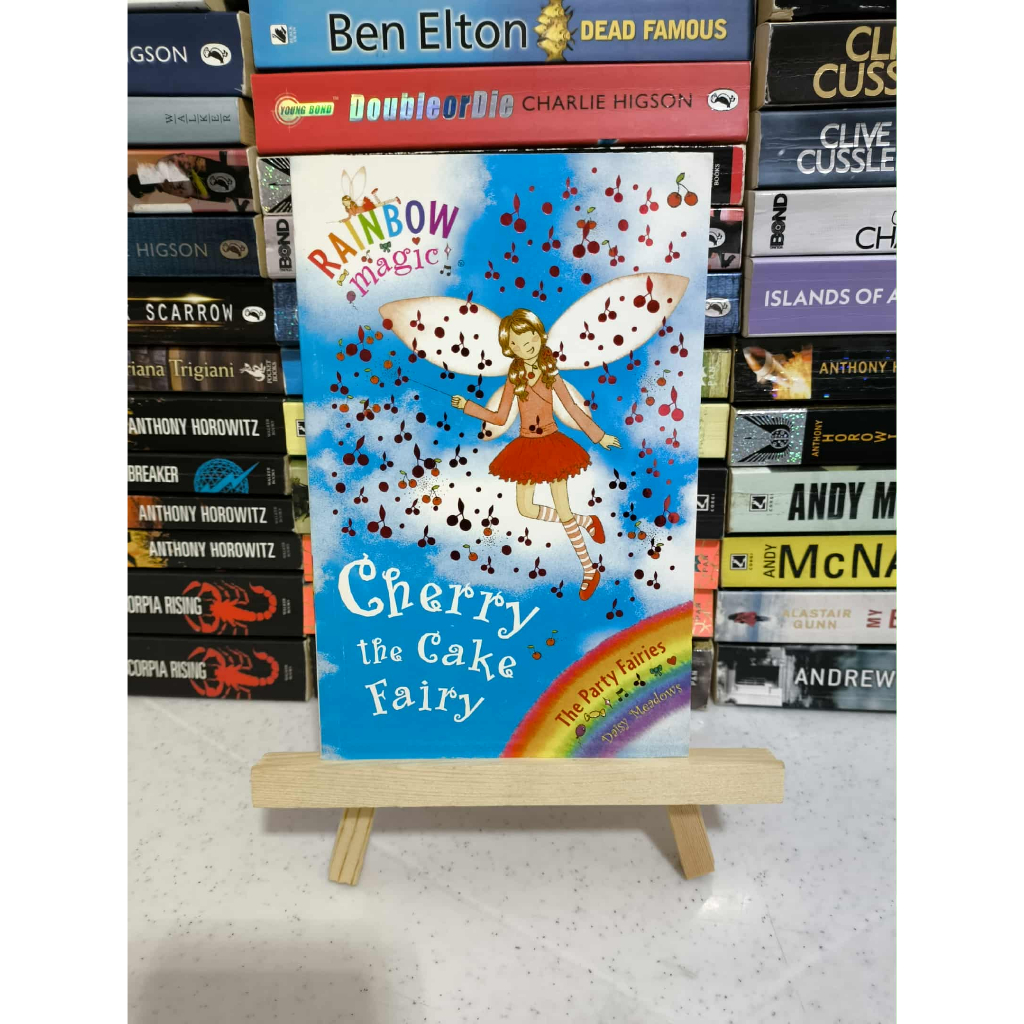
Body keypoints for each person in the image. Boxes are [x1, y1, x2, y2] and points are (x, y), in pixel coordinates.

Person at [451, 308, 620, 601]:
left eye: (528, 338)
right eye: (515, 344)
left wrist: (599, 435)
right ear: (509, 349)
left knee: (563, 509)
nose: (524, 346)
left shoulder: (551, 373)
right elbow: (499, 416)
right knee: (525, 509)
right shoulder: (514, 377)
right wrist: (468, 406)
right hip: (526, 447)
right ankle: (586, 521)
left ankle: (589, 569)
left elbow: (571, 408)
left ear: (539, 336)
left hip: (553, 445)